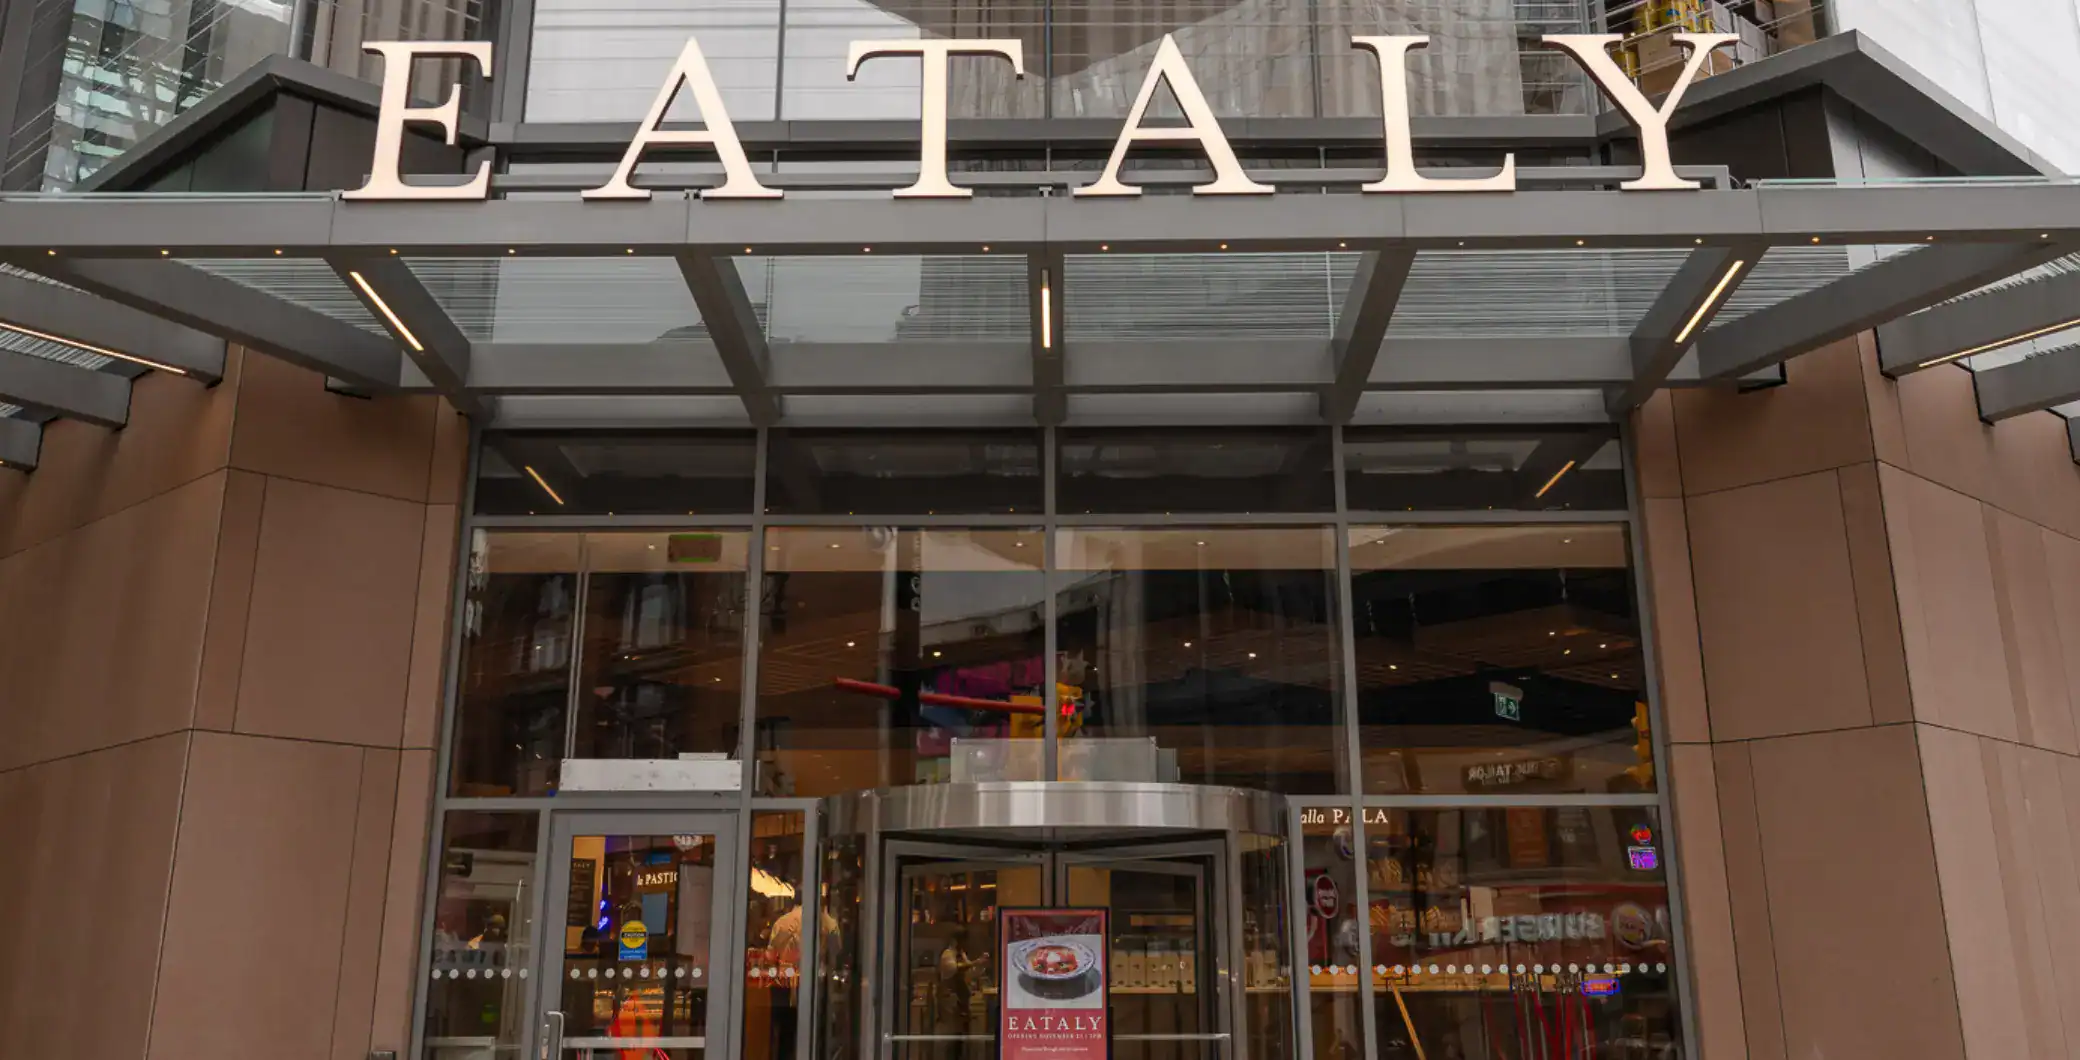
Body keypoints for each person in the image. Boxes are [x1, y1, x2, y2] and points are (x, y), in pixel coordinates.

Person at [933, 924, 989, 1060]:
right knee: (951, 1034)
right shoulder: (947, 954)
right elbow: (952, 968)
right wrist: (975, 962)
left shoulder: (961, 954)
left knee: (961, 1034)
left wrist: (980, 965)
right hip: (950, 999)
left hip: (961, 1000)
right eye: (963, 940)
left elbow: (970, 973)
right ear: (956, 940)